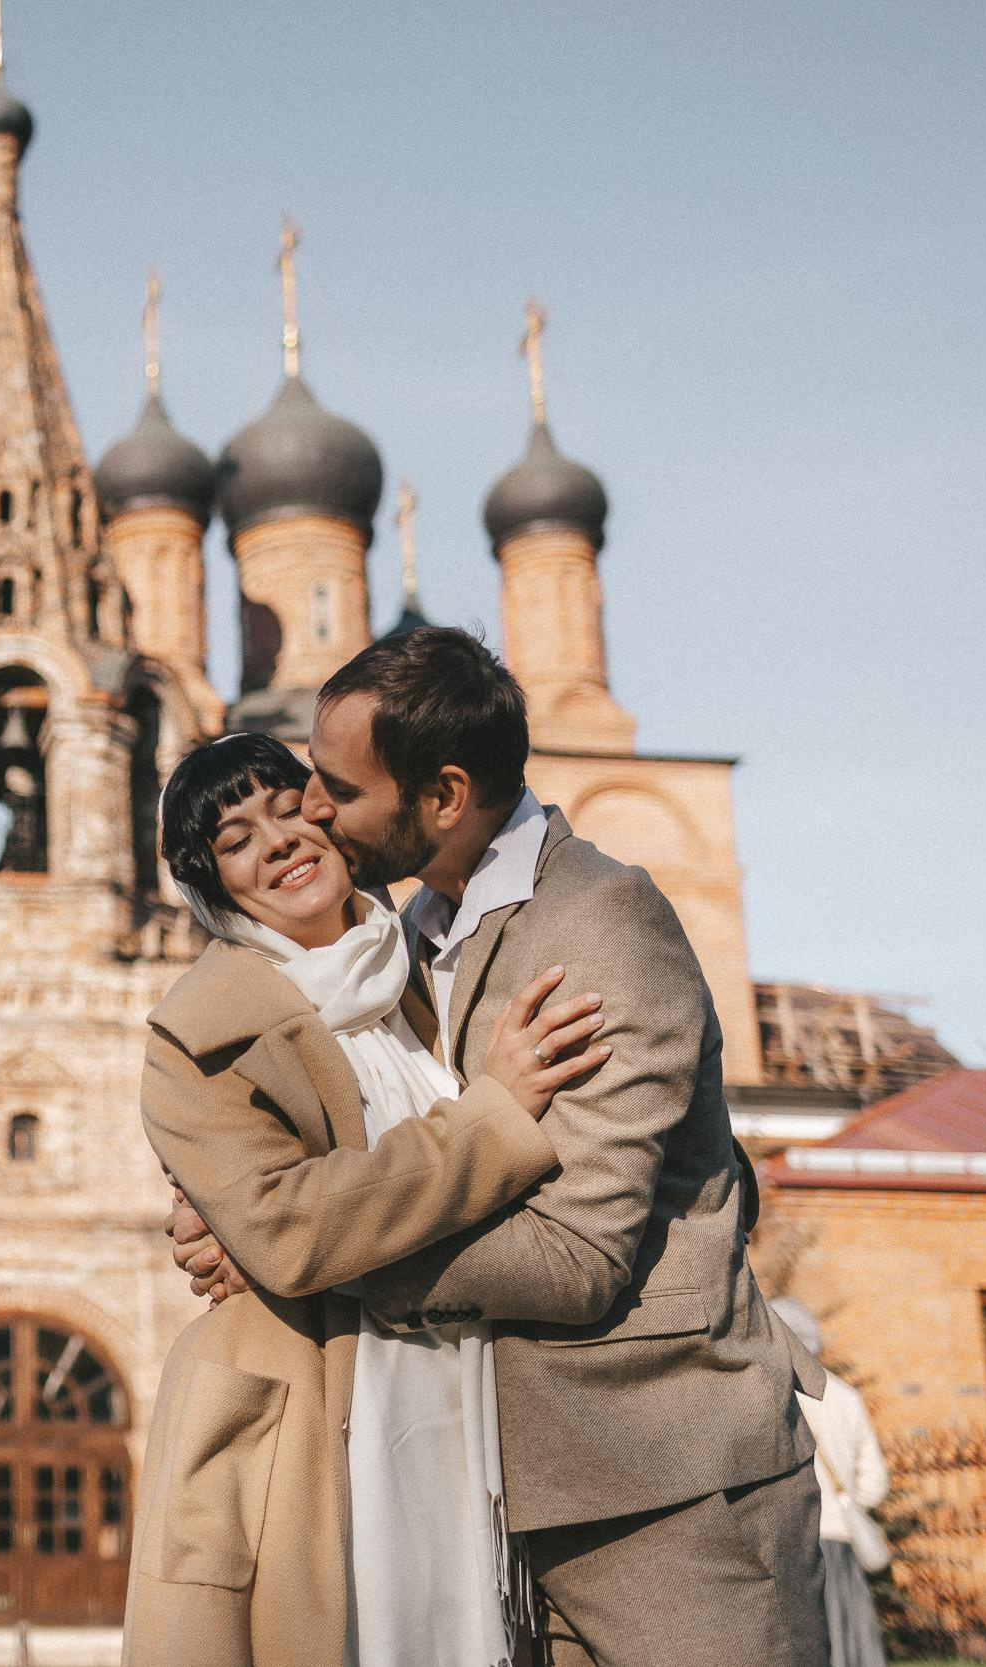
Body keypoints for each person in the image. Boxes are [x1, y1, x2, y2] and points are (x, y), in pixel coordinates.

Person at [165, 626, 831, 1667]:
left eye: (334, 789)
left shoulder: (595, 923)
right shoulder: (405, 934)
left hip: (666, 1489)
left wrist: (291, 1251)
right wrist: (245, 1196)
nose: (313, 812)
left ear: (440, 796)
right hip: (504, 1488)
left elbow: (577, 1257)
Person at [122, 730, 611, 1667]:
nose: (274, 841)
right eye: (232, 840)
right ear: (214, 886)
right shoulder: (195, 1041)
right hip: (322, 1412)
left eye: (288, 804)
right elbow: (295, 1232)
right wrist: (493, 1119)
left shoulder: (436, 964)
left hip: (486, 1385)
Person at [773, 1298, 891, 1667]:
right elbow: (876, 1483)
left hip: (793, 1538)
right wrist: (846, 1501)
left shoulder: (775, 1395)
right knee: (850, 1640)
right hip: (841, 1538)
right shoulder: (845, 1397)